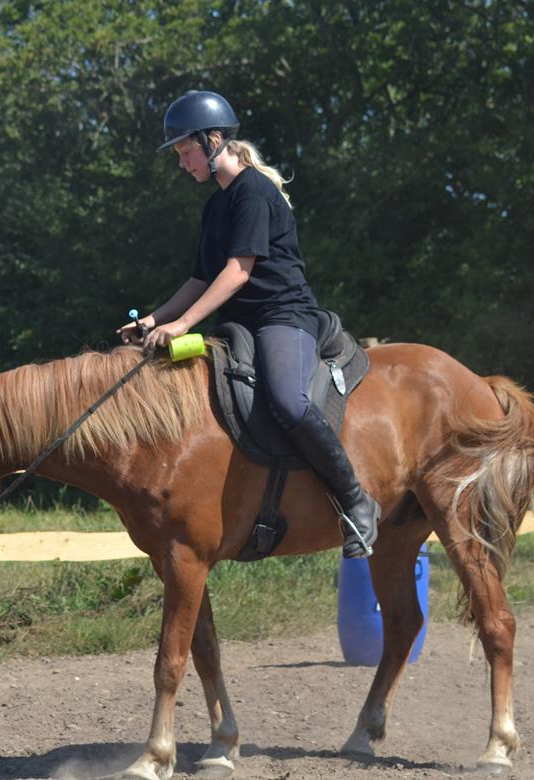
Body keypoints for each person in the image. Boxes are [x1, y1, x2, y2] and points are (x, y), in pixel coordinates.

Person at [117, 90, 379, 558]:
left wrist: (184, 326)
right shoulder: (215, 205)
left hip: (284, 316)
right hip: (238, 323)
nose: (181, 162)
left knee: (288, 401)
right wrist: (155, 320)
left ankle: (356, 502)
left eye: (184, 150)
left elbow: (238, 271)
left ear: (213, 140)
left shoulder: (254, 191)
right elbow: (201, 277)